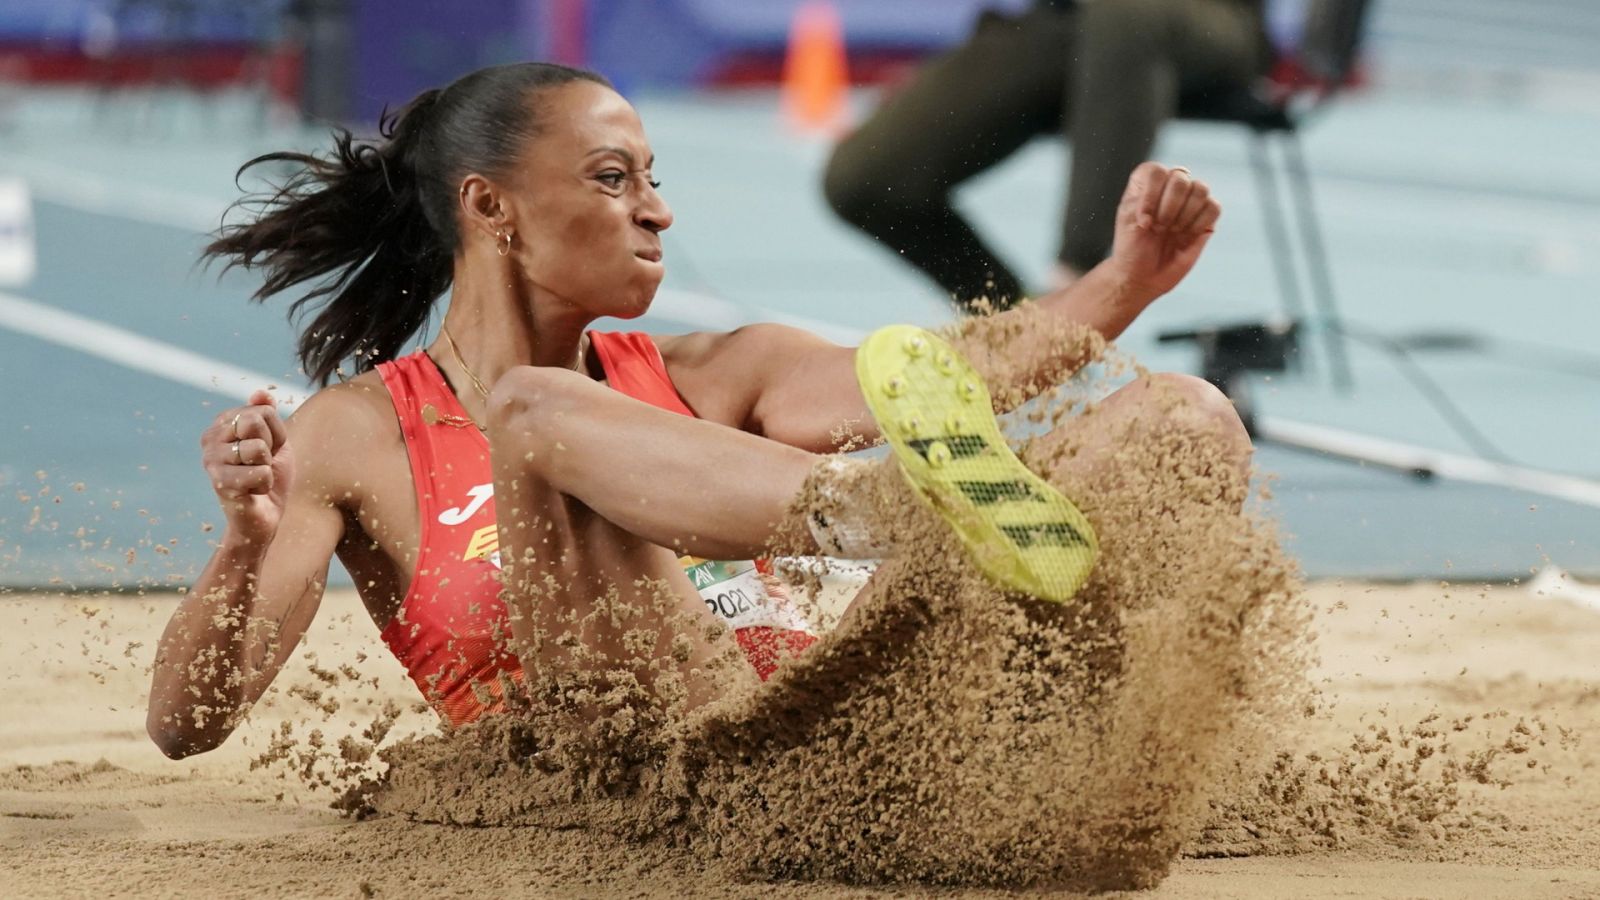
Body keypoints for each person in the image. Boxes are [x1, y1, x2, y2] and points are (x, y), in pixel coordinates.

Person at [145, 61, 1246, 760]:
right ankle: (896, 520)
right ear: (493, 208)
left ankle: (1079, 727)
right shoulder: (354, 432)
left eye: (653, 177)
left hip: (834, 739)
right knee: (535, 410)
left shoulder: (718, 371)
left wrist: (1126, 282)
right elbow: (186, 725)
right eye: (615, 179)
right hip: (630, 769)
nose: (658, 211)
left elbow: (953, 380)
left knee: (1184, 420)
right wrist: (244, 547)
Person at [823, 0, 1270, 312]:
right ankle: (1015, 325)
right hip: (1062, 23)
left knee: (1126, 14)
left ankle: (1075, 299)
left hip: (1208, 17)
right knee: (862, 179)